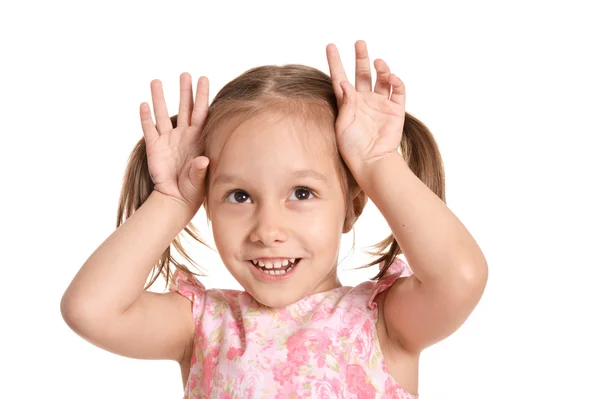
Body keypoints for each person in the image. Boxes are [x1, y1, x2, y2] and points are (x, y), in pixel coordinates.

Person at [60, 40, 488, 398]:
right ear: (206, 206)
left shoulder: (386, 322)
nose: (267, 230)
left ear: (353, 207)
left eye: (302, 193)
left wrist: (379, 164)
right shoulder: (202, 327)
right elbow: (89, 310)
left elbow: (460, 277)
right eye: (239, 195)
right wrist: (171, 200)